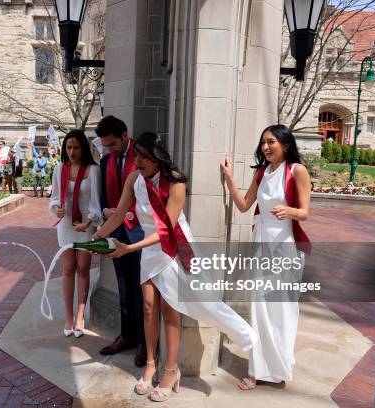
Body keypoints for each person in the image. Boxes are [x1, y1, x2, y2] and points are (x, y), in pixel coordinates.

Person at [95, 132, 257, 402]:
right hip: (149, 248)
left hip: (173, 247)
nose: (139, 162)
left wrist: (129, 249)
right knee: (148, 307)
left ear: (158, 157)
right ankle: (151, 364)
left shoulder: (176, 182)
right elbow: (120, 214)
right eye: (136, 156)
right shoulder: (134, 179)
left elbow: (166, 230)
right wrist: (98, 236)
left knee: (172, 309)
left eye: (144, 157)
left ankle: (171, 370)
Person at [221, 124, 311, 390]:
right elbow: (244, 205)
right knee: (259, 309)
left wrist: (290, 211)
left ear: (285, 144)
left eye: (271, 142)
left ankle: (279, 367)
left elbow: (305, 212)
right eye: (263, 143)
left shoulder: (297, 171)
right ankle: (257, 370)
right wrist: (229, 179)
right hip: (260, 244)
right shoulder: (262, 173)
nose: (266, 147)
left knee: (282, 310)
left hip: (284, 246)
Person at [95, 116, 146, 367]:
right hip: (117, 233)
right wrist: (106, 212)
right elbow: (104, 196)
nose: (110, 150)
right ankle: (127, 335)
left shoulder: (143, 157)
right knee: (124, 288)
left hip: (141, 234)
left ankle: (145, 343)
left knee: (142, 292)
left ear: (125, 136)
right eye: (106, 146)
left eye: (113, 144)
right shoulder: (106, 161)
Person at [48, 130, 101, 338]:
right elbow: (54, 197)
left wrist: (89, 222)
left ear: (83, 148)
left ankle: (80, 314)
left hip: (85, 226)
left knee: (83, 268)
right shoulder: (60, 168)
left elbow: (96, 202)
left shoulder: (93, 170)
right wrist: (56, 209)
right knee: (68, 268)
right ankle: (68, 316)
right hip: (66, 225)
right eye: (68, 147)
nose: (72, 151)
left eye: (76, 147)